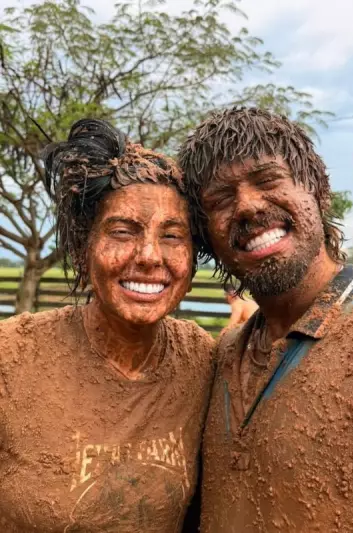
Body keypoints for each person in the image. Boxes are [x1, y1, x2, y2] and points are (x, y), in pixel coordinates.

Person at [178, 108, 353, 532]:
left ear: (318, 192)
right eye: (221, 199)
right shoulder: (225, 354)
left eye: (267, 180)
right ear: (206, 237)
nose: (246, 206)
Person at [0, 119, 216, 531]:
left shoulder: (202, 359)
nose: (150, 256)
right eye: (122, 231)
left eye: (172, 236)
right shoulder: (12, 356)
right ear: (83, 249)